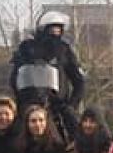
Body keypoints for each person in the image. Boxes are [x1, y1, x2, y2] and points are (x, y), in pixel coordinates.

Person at [9, 9, 86, 137]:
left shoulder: (64, 49)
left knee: (76, 132)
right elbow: (15, 78)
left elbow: (79, 81)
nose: (55, 32)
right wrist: (21, 98)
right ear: (42, 29)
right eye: (52, 29)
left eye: (59, 29)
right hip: (29, 104)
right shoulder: (26, 47)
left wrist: (72, 105)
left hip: (57, 105)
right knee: (12, 131)